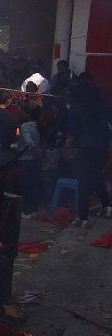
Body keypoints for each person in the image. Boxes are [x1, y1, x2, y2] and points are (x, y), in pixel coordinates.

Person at [65, 79, 111, 226]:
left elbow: (71, 133)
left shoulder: (76, 108)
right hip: (103, 147)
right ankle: (106, 205)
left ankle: (83, 217)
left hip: (85, 148)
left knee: (83, 182)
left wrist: (66, 148)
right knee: (96, 176)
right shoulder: (103, 106)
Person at [16, 103, 43, 219]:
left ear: (28, 114)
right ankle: (33, 210)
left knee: (26, 185)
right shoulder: (40, 126)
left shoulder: (25, 127)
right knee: (34, 184)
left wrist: (36, 150)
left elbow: (28, 142)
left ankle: (26, 211)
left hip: (26, 159)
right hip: (36, 160)